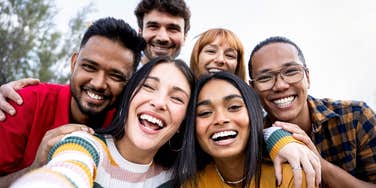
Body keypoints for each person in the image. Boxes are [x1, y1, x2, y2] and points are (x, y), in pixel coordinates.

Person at [0, 17, 145, 186]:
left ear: (130, 82)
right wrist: (35, 169)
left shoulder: (130, 126)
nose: (98, 83)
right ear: (74, 62)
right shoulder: (23, 102)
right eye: (89, 67)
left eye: (115, 76)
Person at [11, 56, 195, 188]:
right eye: (148, 86)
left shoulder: (178, 179)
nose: (159, 102)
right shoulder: (85, 144)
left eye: (177, 98)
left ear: (183, 123)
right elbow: (67, 169)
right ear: (128, 97)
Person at [189, 28, 320, 187]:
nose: (220, 59)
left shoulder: (285, 178)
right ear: (196, 56)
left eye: (230, 55)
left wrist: (278, 138)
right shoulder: (182, 95)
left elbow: (257, 127)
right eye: (210, 51)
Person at [248, 36, 376, 187]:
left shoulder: (356, 117)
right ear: (252, 90)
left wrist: (319, 163)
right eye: (265, 78)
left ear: (307, 77)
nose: (280, 85)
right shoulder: (251, 142)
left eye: (290, 72)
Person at [173, 71, 310, 188]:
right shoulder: (192, 185)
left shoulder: (292, 176)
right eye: (204, 113)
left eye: (234, 107)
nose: (220, 119)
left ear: (253, 114)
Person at [135, 0, 191, 67]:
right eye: (153, 27)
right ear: (140, 33)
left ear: (184, 37)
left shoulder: (190, 77)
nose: (163, 38)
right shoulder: (123, 75)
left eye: (173, 29)